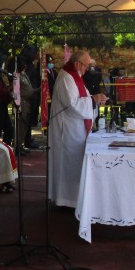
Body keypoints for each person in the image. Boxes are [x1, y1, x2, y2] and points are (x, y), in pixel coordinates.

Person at [48, 50, 107, 207]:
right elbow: (72, 105)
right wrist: (93, 100)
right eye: (86, 66)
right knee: (68, 164)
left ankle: (74, 199)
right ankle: (66, 200)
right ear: (77, 64)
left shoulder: (75, 76)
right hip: (67, 130)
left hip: (75, 128)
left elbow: (84, 98)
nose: (87, 69)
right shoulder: (66, 78)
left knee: (75, 164)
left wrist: (95, 100)